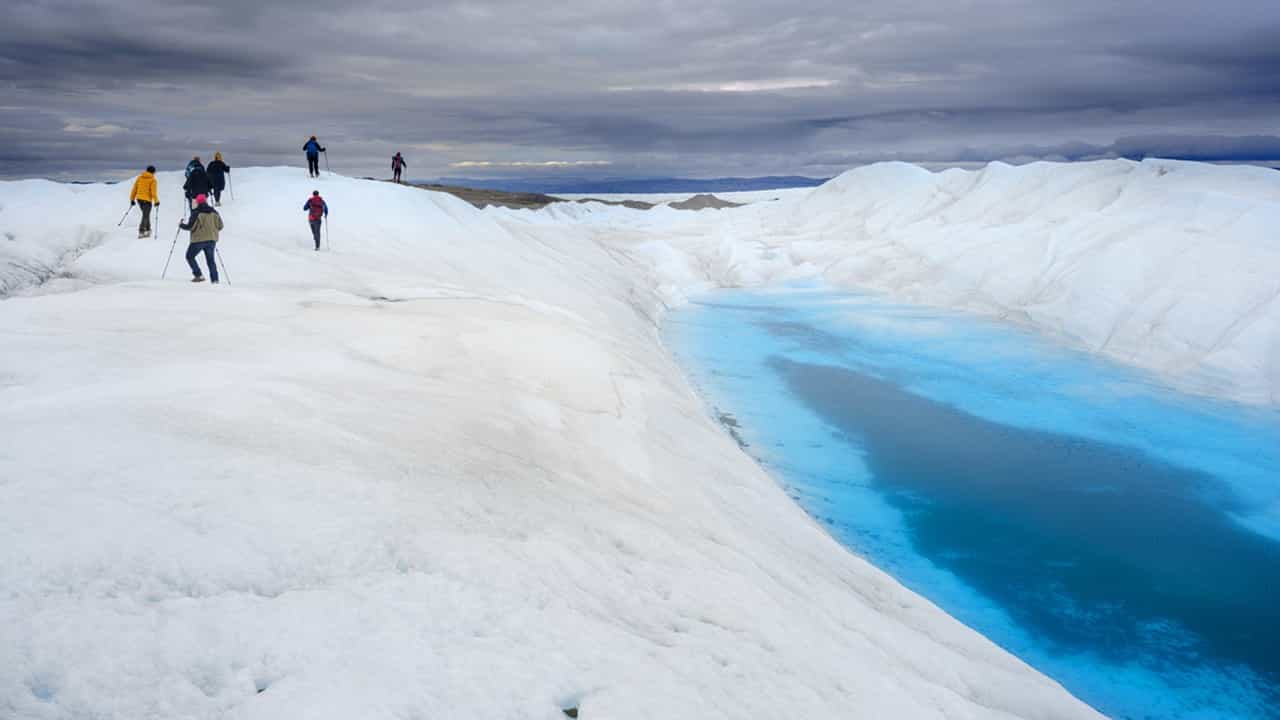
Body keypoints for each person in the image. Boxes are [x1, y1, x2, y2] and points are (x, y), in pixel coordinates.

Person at [179, 194, 223, 283]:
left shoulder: (196, 212)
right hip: (211, 240)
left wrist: (181, 225)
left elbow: (190, 227)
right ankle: (215, 279)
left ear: (198, 202)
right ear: (205, 201)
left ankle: (198, 275)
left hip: (198, 240)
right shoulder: (214, 212)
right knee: (211, 260)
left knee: (189, 256)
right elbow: (220, 226)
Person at [128, 165, 160, 238]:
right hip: (147, 200)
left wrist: (132, 199)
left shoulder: (140, 177)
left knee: (146, 214)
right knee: (145, 215)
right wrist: (156, 201)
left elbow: (134, 188)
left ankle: (148, 229)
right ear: (153, 172)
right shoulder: (153, 180)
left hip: (139, 199)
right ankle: (141, 231)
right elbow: (153, 192)